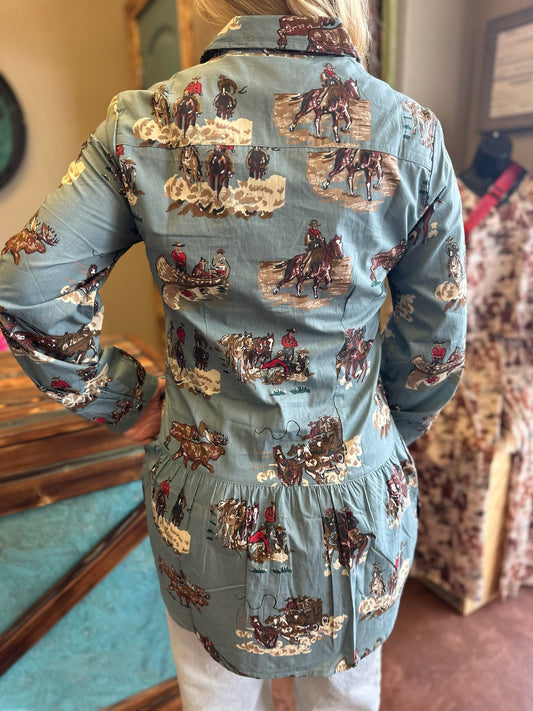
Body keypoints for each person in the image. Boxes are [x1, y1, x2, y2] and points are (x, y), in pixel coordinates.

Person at [0, 1, 466, 709]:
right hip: (355, 507)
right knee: (344, 699)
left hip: (203, 500)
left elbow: (29, 287)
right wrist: (378, 432)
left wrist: (128, 404)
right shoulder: (411, 132)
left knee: (212, 696)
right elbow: (436, 346)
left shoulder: (143, 122)